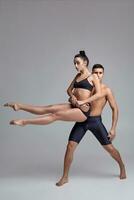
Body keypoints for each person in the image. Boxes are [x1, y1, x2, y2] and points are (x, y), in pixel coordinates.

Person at [56, 64, 126, 187]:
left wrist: (113, 128)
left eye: (100, 73)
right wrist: (72, 98)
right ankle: (65, 177)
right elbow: (74, 98)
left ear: (103, 74)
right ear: (91, 74)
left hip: (96, 122)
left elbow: (115, 109)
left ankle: (122, 166)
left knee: (109, 148)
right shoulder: (87, 87)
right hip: (82, 120)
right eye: (95, 72)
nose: (98, 75)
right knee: (70, 145)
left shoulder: (106, 90)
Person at [4, 51, 102, 125]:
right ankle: (19, 106)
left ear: (85, 63)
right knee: (49, 108)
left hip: (83, 110)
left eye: (77, 63)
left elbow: (98, 94)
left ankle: (24, 122)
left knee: (55, 115)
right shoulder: (77, 76)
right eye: (74, 63)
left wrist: (83, 102)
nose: (75, 65)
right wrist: (72, 96)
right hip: (74, 104)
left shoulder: (93, 76)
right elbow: (68, 90)